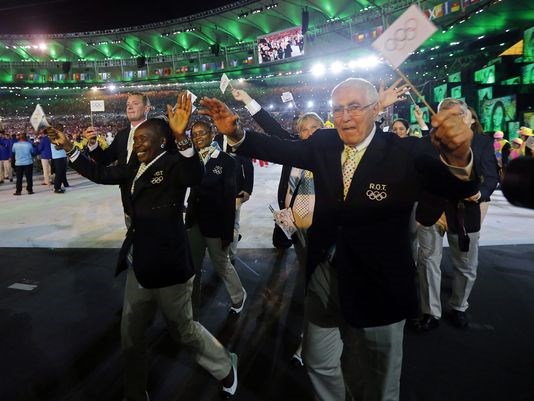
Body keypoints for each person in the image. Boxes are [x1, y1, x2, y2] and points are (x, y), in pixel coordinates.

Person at [198, 77, 477, 401]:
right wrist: (235, 133)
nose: (345, 116)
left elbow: (462, 188)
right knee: (317, 362)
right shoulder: (325, 143)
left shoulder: (405, 151)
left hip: (380, 286)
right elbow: (280, 146)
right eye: (338, 108)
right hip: (325, 277)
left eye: (354, 107)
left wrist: (460, 157)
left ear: (376, 109)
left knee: (379, 382)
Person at [46, 112, 239, 401]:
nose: (137, 144)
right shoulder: (136, 164)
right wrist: (71, 149)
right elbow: (102, 173)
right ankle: (136, 393)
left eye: (143, 139)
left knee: (184, 331)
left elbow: (194, 175)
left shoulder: (174, 164)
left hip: (170, 268)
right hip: (140, 265)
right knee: (131, 336)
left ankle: (225, 365)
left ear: (162, 141)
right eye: (135, 139)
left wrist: (181, 137)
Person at [414, 98, 499, 332]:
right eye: (444, 115)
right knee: (428, 262)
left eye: (454, 115)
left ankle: (460, 306)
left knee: (466, 265)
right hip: (431, 209)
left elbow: (491, 176)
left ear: (465, 117)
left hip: (464, 211)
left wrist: (481, 193)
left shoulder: (481, 142)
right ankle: (430, 312)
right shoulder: (426, 143)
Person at [185, 120, 246, 319]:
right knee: (193, 267)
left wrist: (228, 233)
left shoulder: (226, 160)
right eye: (194, 134)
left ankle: (238, 296)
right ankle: (192, 309)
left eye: (202, 133)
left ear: (212, 134)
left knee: (221, 264)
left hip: (216, 224)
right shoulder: (191, 159)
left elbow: (229, 200)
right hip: (195, 222)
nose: (198, 137)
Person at [83, 92, 151, 215]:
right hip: (128, 202)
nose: (130, 107)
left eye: (135, 103)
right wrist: (93, 144)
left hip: (152, 201)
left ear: (147, 109)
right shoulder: (122, 135)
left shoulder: (156, 133)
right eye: (128, 104)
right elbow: (105, 159)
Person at [51, 123, 70, 193]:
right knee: (59, 173)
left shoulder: (61, 136)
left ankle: (63, 185)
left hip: (63, 156)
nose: (63, 129)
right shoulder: (54, 136)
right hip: (57, 157)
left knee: (62, 172)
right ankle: (57, 187)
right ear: (57, 129)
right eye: (61, 128)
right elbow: (57, 147)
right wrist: (65, 146)